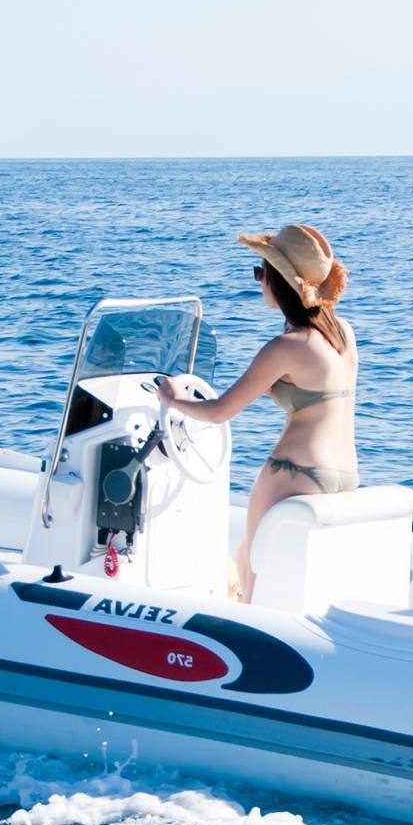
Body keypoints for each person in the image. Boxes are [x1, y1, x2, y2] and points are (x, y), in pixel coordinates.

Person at [154, 223, 358, 598]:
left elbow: (218, 412)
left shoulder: (286, 346)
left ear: (278, 280)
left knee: (252, 572)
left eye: (260, 272)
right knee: (296, 576)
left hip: (294, 473)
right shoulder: (343, 333)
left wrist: (172, 399)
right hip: (345, 475)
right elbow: (322, 395)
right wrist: (281, 389)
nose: (258, 280)